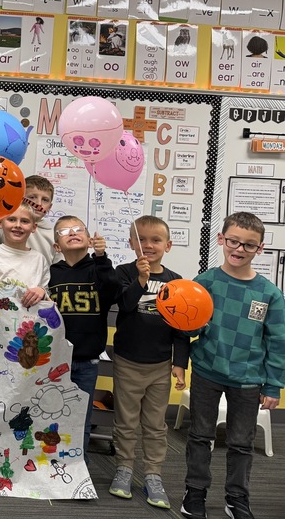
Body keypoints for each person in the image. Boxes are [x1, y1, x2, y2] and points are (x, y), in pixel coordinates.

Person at [181, 212, 285, 519]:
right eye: (233, 241)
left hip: (249, 379)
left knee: (242, 443)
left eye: (248, 245)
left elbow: (278, 342)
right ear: (221, 240)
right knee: (200, 435)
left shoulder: (270, 294)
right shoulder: (205, 282)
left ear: (260, 249)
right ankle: (195, 492)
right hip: (206, 371)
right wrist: (184, 324)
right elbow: (190, 325)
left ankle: (237, 497)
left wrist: (274, 384)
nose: (239, 249)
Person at [108, 215, 188, 510]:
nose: (149, 245)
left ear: (168, 244)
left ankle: (153, 474)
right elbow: (126, 305)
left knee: (156, 425)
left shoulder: (175, 281)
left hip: (159, 365)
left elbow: (181, 326)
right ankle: (124, 468)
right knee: (126, 422)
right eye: (142, 239)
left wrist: (180, 362)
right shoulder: (124, 272)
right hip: (128, 361)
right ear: (131, 243)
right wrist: (141, 280)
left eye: (156, 240)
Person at [47, 215, 119, 453]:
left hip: (86, 362)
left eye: (78, 229)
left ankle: (79, 468)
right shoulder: (50, 274)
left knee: (80, 420)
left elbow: (112, 290)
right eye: (65, 231)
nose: (73, 232)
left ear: (89, 239)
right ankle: (50, 468)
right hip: (54, 361)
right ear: (57, 245)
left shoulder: (99, 268)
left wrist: (101, 257)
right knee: (50, 416)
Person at [0, 175, 58, 263]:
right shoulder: (6, 224)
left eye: (45, 200)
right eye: (32, 197)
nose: (39, 204)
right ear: (20, 198)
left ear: (50, 207)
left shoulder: (54, 235)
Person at [0, 201, 50, 306]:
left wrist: (41, 291)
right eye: (11, 219)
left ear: (34, 227)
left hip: (29, 320)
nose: (18, 225)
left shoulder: (40, 259)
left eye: (24, 221)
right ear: (0, 222)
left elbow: (45, 296)